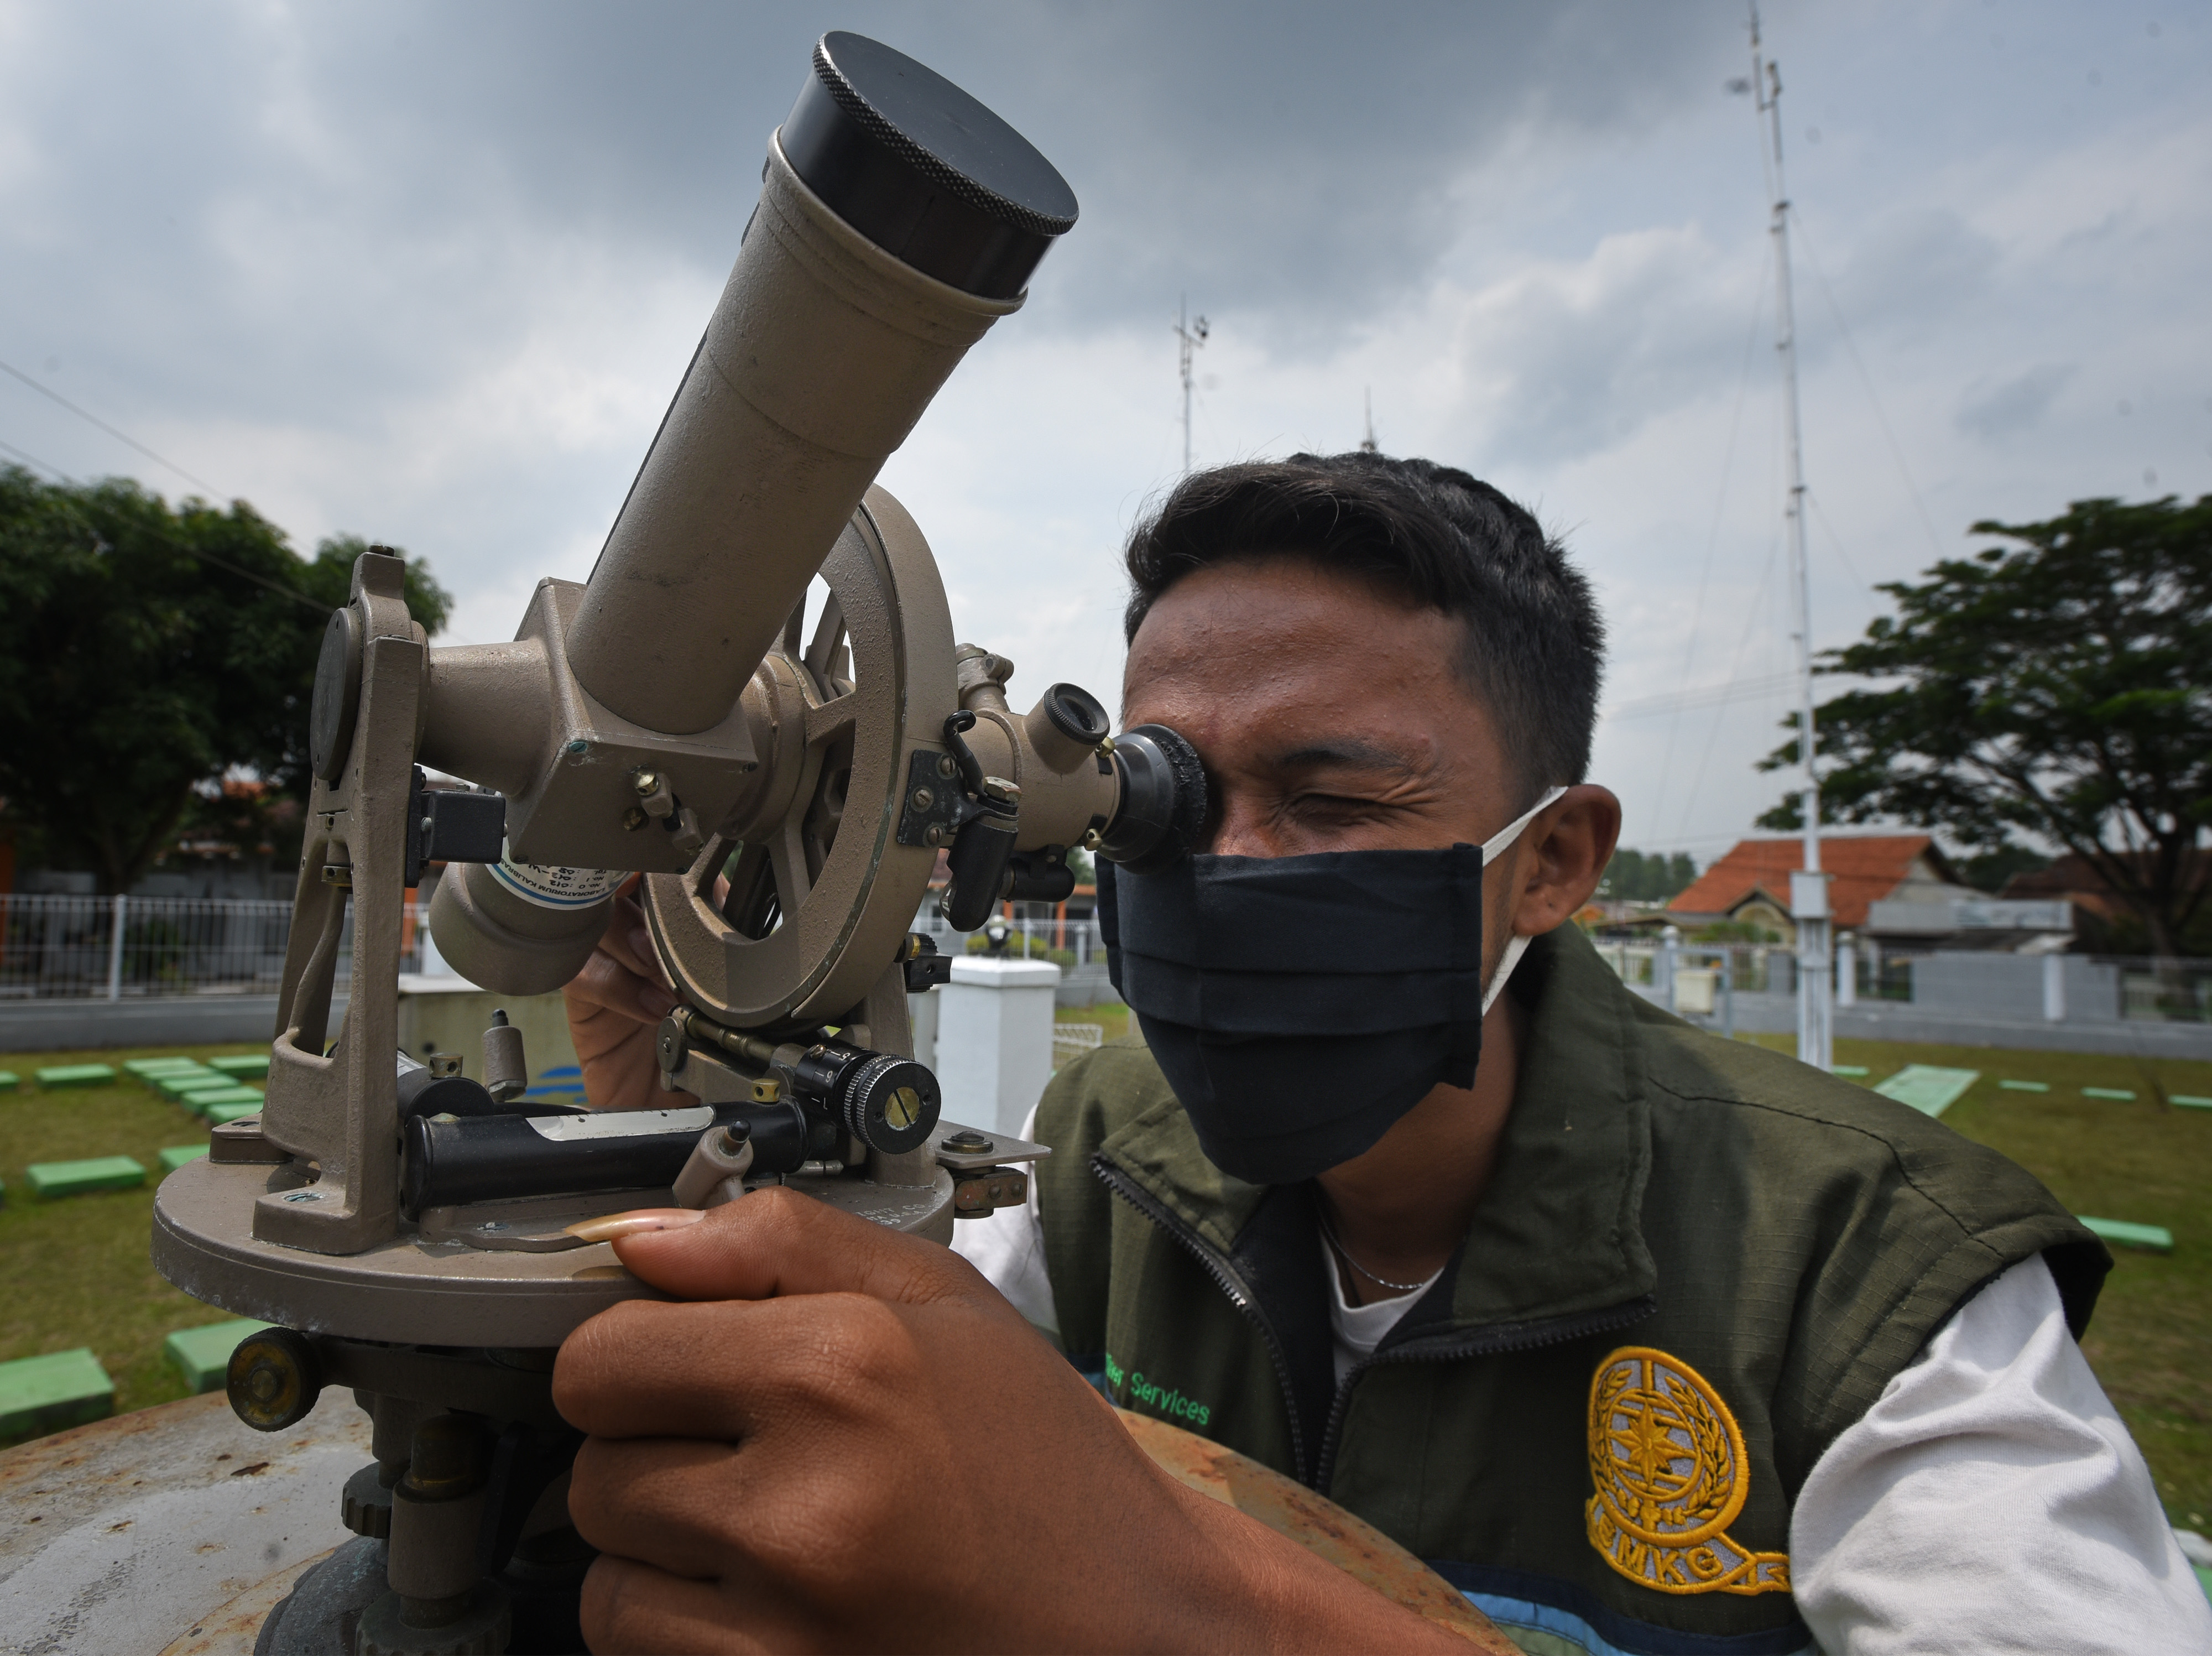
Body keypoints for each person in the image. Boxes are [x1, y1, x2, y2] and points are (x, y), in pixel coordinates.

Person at [554, 454, 2211, 1654]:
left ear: (1553, 861)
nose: (1230, 872)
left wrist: (1195, 1608)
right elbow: (808, 1401)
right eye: (1169, 802)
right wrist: (654, 1057)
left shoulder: (1864, 1267)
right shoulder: (1107, 1150)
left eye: (1337, 803)